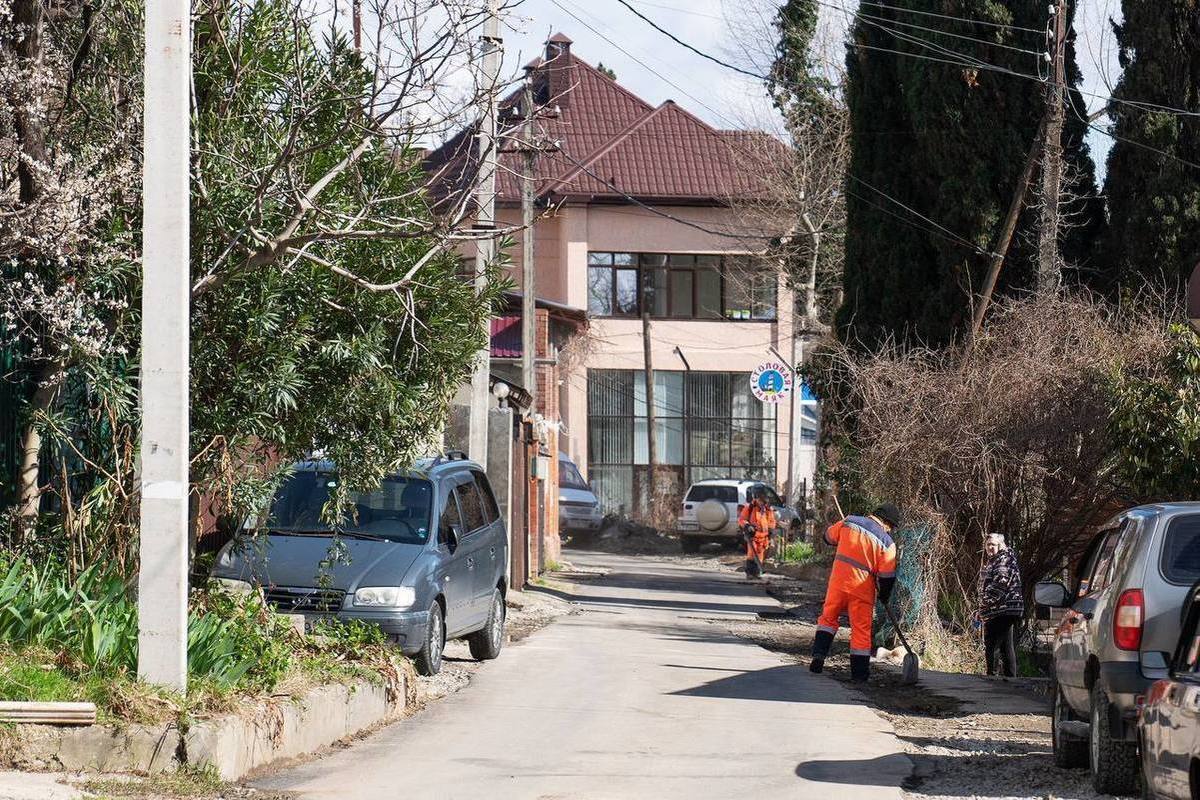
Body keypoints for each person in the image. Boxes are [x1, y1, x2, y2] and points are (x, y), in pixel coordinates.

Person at [810, 503, 900, 682]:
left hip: (838, 583)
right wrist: (884, 595)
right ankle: (859, 675)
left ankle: (818, 658)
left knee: (828, 619)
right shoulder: (888, 543)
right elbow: (887, 577)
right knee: (861, 630)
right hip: (862, 590)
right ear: (887, 523)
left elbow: (827, 537)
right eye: (891, 527)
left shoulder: (849, 522)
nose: (890, 531)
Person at [979, 532, 1024, 677]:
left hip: (1003, 608)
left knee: (992, 643)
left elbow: (1000, 585)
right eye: (987, 545)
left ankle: (992, 676)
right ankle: (1010, 678)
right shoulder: (999, 559)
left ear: (1000, 545)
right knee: (1006, 645)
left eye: (993, 544)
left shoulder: (1003, 560)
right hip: (1006, 608)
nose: (990, 548)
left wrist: (984, 604)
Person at [738, 486, 777, 580]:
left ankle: (756, 572)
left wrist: (771, 529)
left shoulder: (768, 510)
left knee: (760, 554)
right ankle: (750, 573)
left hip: (764, 537)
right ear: (756, 498)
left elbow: (771, 521)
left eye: (764, 498)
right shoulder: (750, 508)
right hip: (753, 536)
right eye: (761, 498)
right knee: (752, 554)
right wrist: (748, 526)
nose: (762, 501)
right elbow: (742, 519)